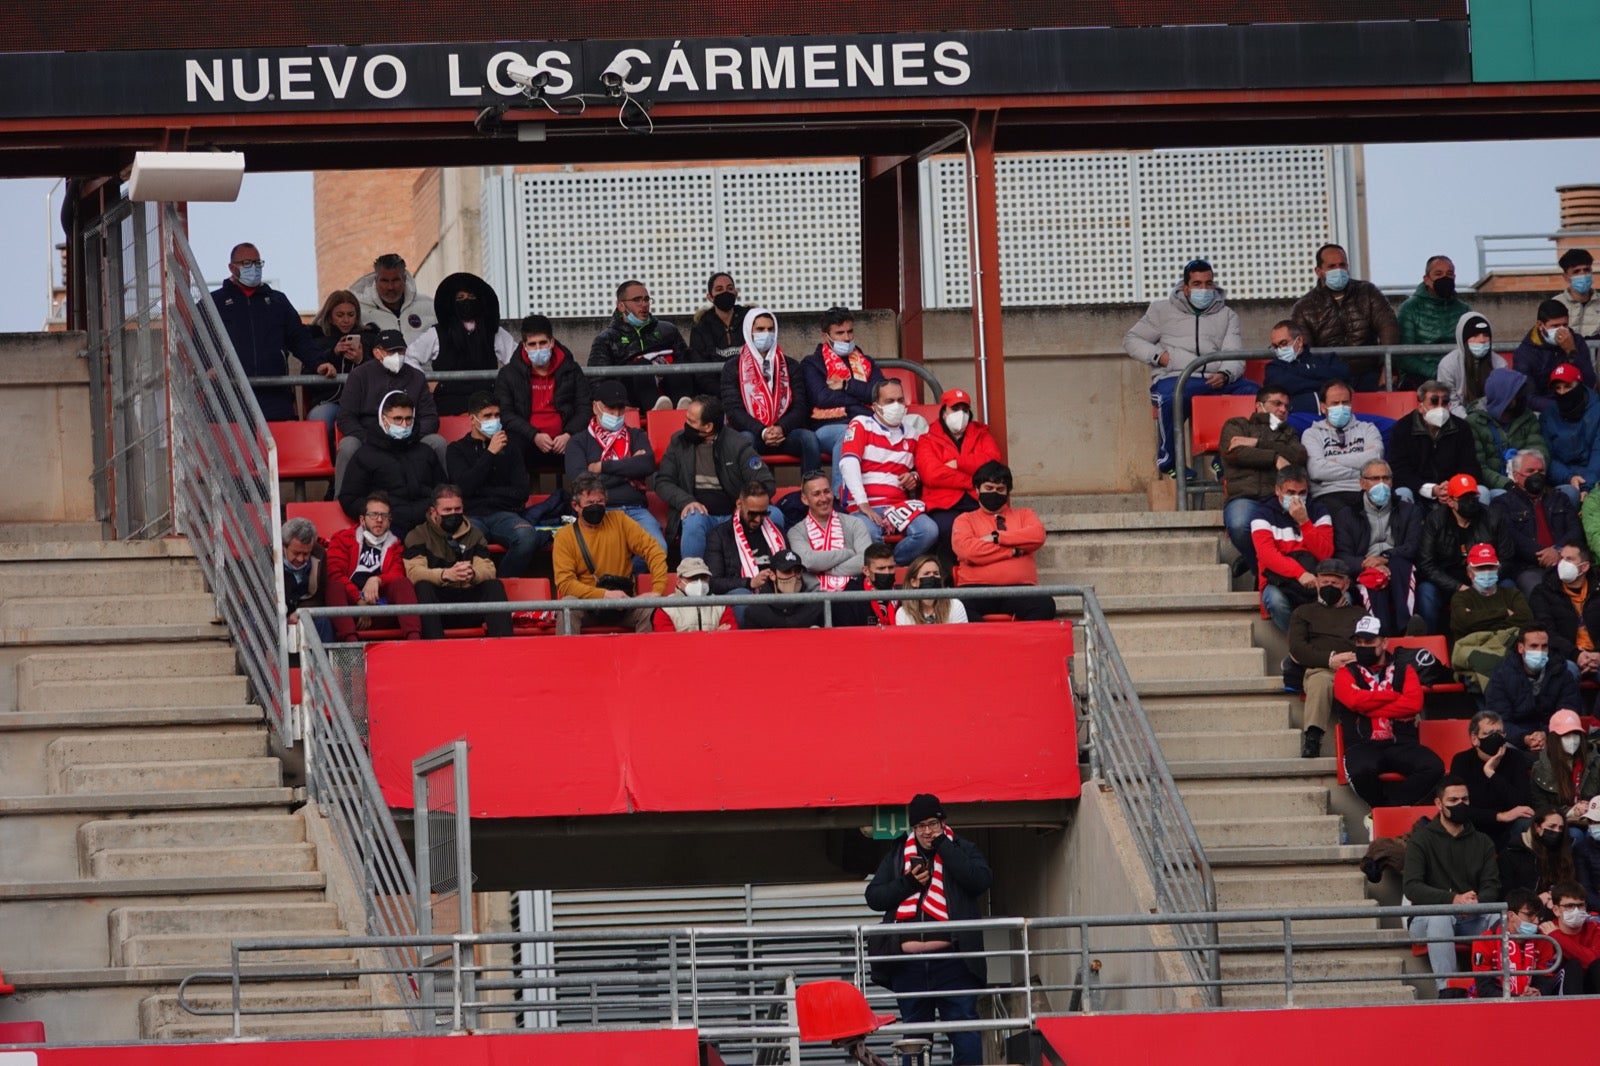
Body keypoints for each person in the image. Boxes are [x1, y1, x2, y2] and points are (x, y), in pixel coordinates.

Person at [865, 794, 992, 1066]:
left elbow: (980, 880)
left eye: (932, 824)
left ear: (943, 822)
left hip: (953, 963)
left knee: (965, 1030)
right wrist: (907, 884)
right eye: (920, 825)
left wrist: (945, 847)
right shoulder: (898, 854)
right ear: (913, 827)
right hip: (907, 967)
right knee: (914, 1039)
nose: (927, 831)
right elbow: (873, 897)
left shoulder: (962, 847)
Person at [1121, 257, 1253, 476]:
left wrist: (1225, 374)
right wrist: (1159, 356)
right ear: (1186, 287)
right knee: (1170, 397)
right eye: (1197, 284)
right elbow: (1132, 340)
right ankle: (1169, 462)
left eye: (1208, 284)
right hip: (1175, 377)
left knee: (1254, 395)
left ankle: (1226, 458)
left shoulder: (1227, 315)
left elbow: (1233, 353)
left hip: (1214, 380)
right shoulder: (1161, 310)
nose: (1204, 289)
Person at [1401, 775, 1501, 995]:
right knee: (1441, 916)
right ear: (1438, 804)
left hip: (1471, 916)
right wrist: (1454, 900)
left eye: (1464, 800)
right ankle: (1447, 989)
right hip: (1425, 919)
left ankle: (1499, 986)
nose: (1460, 805)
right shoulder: (1421, 840)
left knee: (1499, 918)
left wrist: (1476, 902)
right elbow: (1412, 887)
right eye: (1453, 800)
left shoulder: (1482, 841)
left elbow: (1491, 885)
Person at [209, 241, 326, 421]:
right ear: (232, 268)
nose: (253, 268)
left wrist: (319, 363)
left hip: (275, 398)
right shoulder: (214, 303)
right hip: (229, 398)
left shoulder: (278, 301)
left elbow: (299, 338)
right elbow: (197, 341)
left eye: (257, 263)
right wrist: (205, 367)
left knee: (278, 448)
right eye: (246, 263)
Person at [1335, 615, 1444, 807]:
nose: (1363, 646)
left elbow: (1413, 705)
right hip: (1362, 744)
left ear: (1384, 642)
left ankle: (1389, 809)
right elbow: (1353, 700)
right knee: (1361, 770)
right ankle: (1379, 809)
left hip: (1401, 743)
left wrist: (1367, 705)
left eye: (1369, 641)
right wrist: (1392, 696)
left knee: (1433, 767)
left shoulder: (1405, 669)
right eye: (1359, 642)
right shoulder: (1345, 672)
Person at [653, 394, 777, 560]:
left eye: (691, 421)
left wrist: (745, 504)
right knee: (693, 518)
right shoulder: (678, 442)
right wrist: (686, 501)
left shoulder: (737, 443)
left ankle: (773, 573)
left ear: (708, 427)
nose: (686, 425)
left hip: (735, 514)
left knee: (775, 515)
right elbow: (663, 481)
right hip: (702, 516)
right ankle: (691, 578)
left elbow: (766, 482)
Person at [333, 330, 446, 495]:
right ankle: (339, 500)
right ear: (376, 352)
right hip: (369, 437)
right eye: (392, 351)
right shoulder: (359, 375)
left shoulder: (416, 377)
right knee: (348, 445)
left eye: (401, 351)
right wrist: (368, 438)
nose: (398, 356)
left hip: (409, 436)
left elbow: (430, 417)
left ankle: (445, 499)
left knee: (438, 442)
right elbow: (345, 416)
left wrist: (411, 436)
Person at [552, 472, 669, 633]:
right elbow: (565, 584)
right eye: (590, 502)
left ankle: (645, 657)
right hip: (587, 607)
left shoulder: (620, 520)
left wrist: (656, 591)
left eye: (600, 501)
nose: (596, 506)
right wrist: (604, 595)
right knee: (567, 606)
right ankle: (568, 657)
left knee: (650, 610)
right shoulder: (564, 536)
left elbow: (654, 550)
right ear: (575, 506)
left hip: (624, 604)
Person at [839, 378, 937, 564]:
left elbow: (923, 468)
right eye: (890, 401)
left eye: (900, 400)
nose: (897, 406)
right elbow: (848, 464)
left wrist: (914, 476)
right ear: (876, 406)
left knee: (929, 531)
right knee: (868, 533)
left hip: (899, 506)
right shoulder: (861, 424)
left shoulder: (913, 433)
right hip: (862, 506)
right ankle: (881, 574)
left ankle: (891, 565)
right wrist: (863, 503)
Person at [564, 379, 666, 550]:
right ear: (596, 406)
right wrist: (628, 470)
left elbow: (647, 465)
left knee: (658, 548)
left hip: (636, 509)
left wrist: (603, 467)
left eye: (621, 408)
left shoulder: (636, 435)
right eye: (611, 408)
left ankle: (628, 577)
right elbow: (580, 483)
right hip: (600, 510)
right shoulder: (578, 441)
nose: (617, 414)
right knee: (609, 553)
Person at [401, 484, 513, 640]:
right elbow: (414, 573)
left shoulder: (475, 534)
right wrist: (446, 574)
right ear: (433, 511)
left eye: (457, 509)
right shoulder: (417, 535)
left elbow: (488, 569)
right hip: (438, 607)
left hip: (469, 601)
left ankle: (505, 649)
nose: (453, 514)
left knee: (493, 586)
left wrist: (473, 573)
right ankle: (433, 651)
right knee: (422, 587)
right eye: (447, 510)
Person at [444, 392, 537, 578]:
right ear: (472, 419)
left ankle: (500, 582)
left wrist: (484, 492)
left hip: (505, 515)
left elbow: (521, 492)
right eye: (487, 416)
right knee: (462, 544)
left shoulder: (512, 447)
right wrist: (490, 453)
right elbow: (464, 488)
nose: (493, 420)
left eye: (496, 415)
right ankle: (481, 588)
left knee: (527, 537)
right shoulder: (456, 449)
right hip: (472, 516)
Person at [1333, 459, 1430, 636]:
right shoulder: (1346, 515)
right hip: (1366, 568)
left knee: (1400, 563)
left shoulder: (1409, 510)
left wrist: (1385, 557)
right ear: (1362, 483)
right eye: (1375, 478)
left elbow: (1412, 547)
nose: (1382, 484)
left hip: (1399, 567)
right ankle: (1380, 634)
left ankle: (1407, 629)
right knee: (1373, 577)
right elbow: (1342, 555)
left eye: (1386, 478)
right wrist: (1366, 563)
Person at [950, 460, 1056, 622]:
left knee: (1044, 605)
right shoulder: (964, 520)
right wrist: (1013, 550)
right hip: (975, 590)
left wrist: (997, 537)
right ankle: (988, 643)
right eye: (989, 488)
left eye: (1000, 489)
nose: (994, 493)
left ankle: (1020, 645)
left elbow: (1037, 536)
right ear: (977, 490)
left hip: (1020, 590)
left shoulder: (1025, 514)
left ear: (1007, 493)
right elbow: (968, 551)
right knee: (957, 607)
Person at [718, 307, 820, 472]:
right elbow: (733, 411)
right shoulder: (732, 367)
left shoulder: (790, 365)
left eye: (770, 329)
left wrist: (781, 428)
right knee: (745, 441)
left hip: (785, 433)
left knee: (808, 439)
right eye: (760, 329)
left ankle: (813, 490)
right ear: (748, 331)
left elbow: (800, 406)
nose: (766, 333)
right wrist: (763, 431)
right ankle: (754, 493)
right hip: (752, 433)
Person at [1221, 384, 1309, 574]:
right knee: (1239, 524)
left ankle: (1261, 571)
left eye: (1286, 406)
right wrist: (1275, 458)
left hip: (1276, 497)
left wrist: (1257, 444)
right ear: (1259, 406)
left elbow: (1298, 457)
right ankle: (1261, 571)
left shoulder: (1289, 433)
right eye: (1277, 403)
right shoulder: (1237, 425)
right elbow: (1235, 452)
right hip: (1244, 496)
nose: (1283, 409)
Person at [405, 273, 518, 416]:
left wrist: (504, 385)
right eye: (460, 298)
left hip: (487, 406)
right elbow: (409, 357)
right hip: (448, 405)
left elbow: (517, 358)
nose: (467, 302)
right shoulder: (436, 334)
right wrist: (426, 384)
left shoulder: (493, 332)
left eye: (471, 297)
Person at [1289, 243, 1399, 390]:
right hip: (1328, 379)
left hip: (1369, 373)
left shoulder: (1367, 292)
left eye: (1342, 265)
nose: (1338, 270)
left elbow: (1388, 327)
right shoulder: (1304, 308)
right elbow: (1305, 352)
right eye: (1332, 266)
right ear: (1318, 271)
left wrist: (1387, 369)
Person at [1287, 558, 1367, 758]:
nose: (1329, 586)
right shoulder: (1303, 612)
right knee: (1320, 682)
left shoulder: (1359, 613)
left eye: (1335, 583)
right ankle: (1313, 737)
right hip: (1321, 668)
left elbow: (1372, 643)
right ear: (1317, 583)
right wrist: (1330, 659)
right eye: (1325, 582)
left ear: (1346, 584)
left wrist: (1355, 658)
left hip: (1354, 667)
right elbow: (1297, 648)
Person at [337, 391, 445, 536]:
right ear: (383, 419)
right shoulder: (365, 456)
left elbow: (443, 491)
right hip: (386, 529)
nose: (404, 425)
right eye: (397, 419)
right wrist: (379, 514)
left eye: (408, 419)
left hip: (428, 527)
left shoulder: (426, 452)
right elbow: (350, 499)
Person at [496, 313, 591, 476]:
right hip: (527, 440)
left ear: (552, 342)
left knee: (585, 446)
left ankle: (584, 499)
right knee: (509, 448)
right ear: (524, 345)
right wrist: (534, 435)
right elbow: (505, 413)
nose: (538, 349)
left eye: (543, 343)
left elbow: (585, 407)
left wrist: (569, 434)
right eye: (532, 344)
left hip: (566, 439)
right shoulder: (508, 374)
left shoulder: (571, 369)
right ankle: (519, 501)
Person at [801, 306, 886, 487]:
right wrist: (860, 401)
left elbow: (880, 393)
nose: (847, 338)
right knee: (849, 434)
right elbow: (822, 398)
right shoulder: (812, 364)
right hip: (829, 427)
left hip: (867, 422)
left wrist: (847, 385)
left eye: (850, 331)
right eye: (840, 333)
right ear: (826, 336)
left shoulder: (867, 361)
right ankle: (842, 498)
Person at [1418, 474, 1515, 632]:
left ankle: (1509, 639)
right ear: (1450, 501)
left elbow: (1507, 558)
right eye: (1464, 498)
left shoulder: (1494, 517)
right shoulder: (1435, 521)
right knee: (1426, 592)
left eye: (1473, 496)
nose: (1470, 502)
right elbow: (1426, 564)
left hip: (1487, 577)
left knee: (1509, 586)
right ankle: (1431, 643)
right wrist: (1458, 587)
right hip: (1448, 581)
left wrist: (1486, 580)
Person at [323, 490, 421, 641]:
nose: (379, 520)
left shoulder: (395, 545)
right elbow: (335, 573)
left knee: (402, 583)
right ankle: (351, 647)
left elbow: (397, 573)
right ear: (362, 520)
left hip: (380, 608)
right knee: (333, 586)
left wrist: (377, 579)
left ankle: (415, 643)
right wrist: (359, 600)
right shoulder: (343, 539)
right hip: (350, 609)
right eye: (373, 515)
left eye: (384, 516)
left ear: (390, 520)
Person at [916, 388, 1003, 553]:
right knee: (948, 530)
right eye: (955, 409)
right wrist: (973, 481)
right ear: (943, 412)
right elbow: (932, 475)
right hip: (943, 504)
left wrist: (958, 463)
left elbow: (992, 463)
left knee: (989, 529)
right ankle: (954, 574)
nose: (960, 414)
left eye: (964, 410)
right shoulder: (927, 438)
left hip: (978, 500)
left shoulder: (981, 434)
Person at [1249, 465, 1333, 632]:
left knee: (1345, 596)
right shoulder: (1262, 514)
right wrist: (1299, 573)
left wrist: (1304, 523)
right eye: (1291, 493)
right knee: (1275, 600)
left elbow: (1326, 553)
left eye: (1302, 493)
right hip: (1279, 582)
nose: (1297, 498)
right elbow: (1267, 555)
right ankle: (1299, 644)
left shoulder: (1319, 511)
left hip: (1315, 581)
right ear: (1277, 490)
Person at [589, 279, 692, 413]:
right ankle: (655, 409)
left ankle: (683, 407)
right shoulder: (606, 339)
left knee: (675, 369)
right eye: (637, 300)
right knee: (641, 365)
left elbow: (688, 363)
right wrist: (613, 405)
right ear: (620, 306)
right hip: (630, 399)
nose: (644, 304)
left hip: (671, 389)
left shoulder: (668, 330)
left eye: (646, 299)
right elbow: (597, 381)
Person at [1492, 450, 1580, 598]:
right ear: (1516, 475)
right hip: (1528, 567)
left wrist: (1558, 551)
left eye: (1541, 471)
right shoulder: (1502, 503)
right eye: (1530, 471)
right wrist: (1545, 555)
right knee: (1539, 593)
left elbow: (1575, 530)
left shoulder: (1560, 498)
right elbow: (1513, 538)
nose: (1536, 475)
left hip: (1564, 559)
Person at [1485, 625, 1582, 752]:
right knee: (1498, 750)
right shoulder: (1502, 675)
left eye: (1544, 646)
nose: (1540, 651)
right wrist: (1525, 738)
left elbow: (1569, 712)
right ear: (1521, 648)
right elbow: (1500, 720)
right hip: (1516, 740)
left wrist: (1546, 734)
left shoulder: (1562, 673)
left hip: (1554, 737)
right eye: (1534, 646)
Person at [1450, 543, 1534, 690]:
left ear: (1497, 569)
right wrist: (1503, 613)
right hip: (1476, 652)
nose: (1486, 571)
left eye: (1490, 567)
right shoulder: (1461, 598)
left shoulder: (1512, 594)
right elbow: (1464, 622)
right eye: (1480, 568)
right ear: (1470, 572)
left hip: (1508, 650)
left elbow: (1525, 619)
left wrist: (1478, 619)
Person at [1447, 711, 1535, 850]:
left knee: (1528, 821)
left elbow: (1524, 803)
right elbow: (1460, 808)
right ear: (1474, 739)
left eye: (1499, 733)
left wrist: (1491, 774)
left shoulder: (1515, 758)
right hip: (1475, 827)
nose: (1495, 737)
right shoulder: (1461, 761)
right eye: (1488, 733)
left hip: (1509, 828)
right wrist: (1499, 816)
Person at [1387, 380, 1482, 507]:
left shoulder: (1461, 427)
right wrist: (1430, 489)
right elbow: (1399, 470)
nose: (1440, 407)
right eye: (1434, 401)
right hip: (1417, 490)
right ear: (1420, 406)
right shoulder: (1402, 428)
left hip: (1455, 491)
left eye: (1445, 402)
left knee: (1483, 492)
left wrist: (1452, 487)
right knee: (1402, 492)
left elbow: (1470, 466)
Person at [704, 481, 787, 624]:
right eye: (753, 514)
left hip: (776, 591)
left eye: (764, 513)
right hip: (743, 593)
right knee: (742, 597)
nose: (758, 519)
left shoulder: (777, 531)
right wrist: (750, 582)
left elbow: (790, 562)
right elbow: (713, 583)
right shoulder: (720, 535)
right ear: (739, 505)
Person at [1303, 380, 1382, 516]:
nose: (1341, 407)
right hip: (1328, 494)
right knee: (1345, 516)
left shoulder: (1368, 428)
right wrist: (1361, 473)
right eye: (1335, 403)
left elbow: (1375, 459)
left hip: (1365, 492)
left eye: (1345, 402)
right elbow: (1316, 471)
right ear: (1323, 407)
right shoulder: (1312, 434)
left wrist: (1332, 460)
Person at [788, 469, 872, 593]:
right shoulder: (796, 532)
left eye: (827, 491)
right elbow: (809, 562)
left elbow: (866, 560)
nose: (824, 498)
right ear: (805, 499)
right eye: (816, 494)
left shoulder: (854, 523)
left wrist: (826, 569)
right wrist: (848, 553)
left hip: (853, 596)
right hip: (814, 599)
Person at [305, 288, 370, 445]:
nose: (346, 320)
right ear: (330, 317)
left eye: (351, 315)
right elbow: (306, 378)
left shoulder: (369, 339)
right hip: (329, 402)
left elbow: (381, 374)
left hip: (364, 403)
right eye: (340, 315)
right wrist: (332, 355)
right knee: (318, 420)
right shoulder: (317, 342)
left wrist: (361, 359)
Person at [1465, 369, 1545, 496]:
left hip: (1529, 480)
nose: (1522, 397)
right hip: (1495, 486)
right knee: (1499, 494)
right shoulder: (1474, 422)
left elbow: (1538, 449)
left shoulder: (1528, 417)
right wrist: (1507, 484)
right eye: (1517, 394)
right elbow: (1478, 466)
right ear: (1504, 397)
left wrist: (1530, 478)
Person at [1396, 256, 1473, 387]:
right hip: (1421, 378)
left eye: (1449, 274)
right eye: (1438, 274)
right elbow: (1404, 356)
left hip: (1457, 375)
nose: (1445, 278)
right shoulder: (1410, 308)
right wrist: (1436, 373)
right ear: (1426, 279)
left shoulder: (1464, 309)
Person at [1471, 888, 1562, 999]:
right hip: (1496, 1005)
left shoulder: (1543, 940)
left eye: (1538, 915)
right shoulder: (1484, 941)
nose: (1536, 921)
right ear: (1511, 916)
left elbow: (1546, 978)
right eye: (1530, 915)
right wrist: (1517, 997)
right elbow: (1484, 987)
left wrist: (1538, 992)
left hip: (1534, 1002)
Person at [1530, 539, 1600, 682]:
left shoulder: (1597, 591)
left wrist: (1598, 655)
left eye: (1569, 559)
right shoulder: (1543, 592)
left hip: (1597, 655)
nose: (1563, 563)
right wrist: (1576, 655)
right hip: (1564, 657)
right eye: (1561, 558)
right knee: (1568, 671)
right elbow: (1546, 632)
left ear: (1584, 567)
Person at [1515, 300, 1595, 414]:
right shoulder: (1526, 352)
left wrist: (1571, 351)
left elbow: (1590, 382)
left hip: (1578, 406)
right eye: (1555, 326)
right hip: (1544, 411)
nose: (1561, 330)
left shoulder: (1577, 342)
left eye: (1565, 325)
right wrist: (1561, 406)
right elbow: (1529, 397)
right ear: (1540, 325)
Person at [1261, 319, 1351, 415]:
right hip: (1295, 420)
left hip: (1332, 419)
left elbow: (1344, 374)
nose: (1280, 349)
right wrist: (1324, 384)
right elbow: (1284, 386)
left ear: (1299, 341)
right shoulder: (1274, 368)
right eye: (1275, 346)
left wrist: (1304, 371)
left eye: (1283, 343)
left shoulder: (1327, 359)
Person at [1540, 363, 1600, 501]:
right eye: (1557, 388)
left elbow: (1598, 452)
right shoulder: (1548, 416)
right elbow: (1547, 456)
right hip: (1564, 479)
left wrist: (1587, 485)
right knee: (1568, 495)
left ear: (1579, 385)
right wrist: (1569, 478)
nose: (1562, 392)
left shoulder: (1597, 410)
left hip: (1594, 477)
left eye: (1567, 386)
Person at [349, 252, 436, 344]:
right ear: (375, 280)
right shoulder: (360, 312)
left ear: (405, 279)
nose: (390, 287)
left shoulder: (430, 307)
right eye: (384, 281)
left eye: (395, 280)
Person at [1532, 710, 1600, 822]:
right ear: (1554, 738)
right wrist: (1571, 812)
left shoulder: (1596, 762)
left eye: (1576, 735)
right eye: (1566, 735)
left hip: (1595, 820)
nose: (1573, 740)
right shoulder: (1540, 768)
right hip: (1560, 824)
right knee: (1576, 834)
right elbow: (1541, 808)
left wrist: (1592, 809)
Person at [1437, 312, 1507, 420]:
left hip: (1492, 420)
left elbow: (1501, 399)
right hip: (1458, 421)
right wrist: (1469, 421)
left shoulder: (1500, 364)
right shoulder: (1447, 365)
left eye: (1486, 335)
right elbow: (1450, 403)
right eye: (1475, 336)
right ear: (1463, 339)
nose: (1482, 340)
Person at [1501, 807, 1579, 904]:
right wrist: (1535, 901)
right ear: (1537, 827)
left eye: (1560, 828)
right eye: (1552, 826)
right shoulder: (1513, 852)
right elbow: (1506, 894)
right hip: (1524, 911)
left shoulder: (1564, 852)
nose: (1557, 831)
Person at [688, 272, 748, 394]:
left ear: (736, 293)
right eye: (719, 289)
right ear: (710, 297)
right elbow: (702, 372)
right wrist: (725, 393)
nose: (725, 292)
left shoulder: (751, 320)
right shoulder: (700, 328)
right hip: (715, 394)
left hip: (750, 389)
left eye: (730, 288)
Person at [743, 549, 828, 630]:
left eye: (797, 571)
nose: (793, 577)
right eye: (786, 571)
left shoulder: (817, 605)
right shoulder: (756, 612)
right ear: (772, 575)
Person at [1544, 879, 1600, 994]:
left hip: (1590, 985)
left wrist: (1558, 937)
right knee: (1574, 966)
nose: (1576, 911)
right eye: (1569, 906)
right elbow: (1545, 974)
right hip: (1558, 991)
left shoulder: (1594, 928)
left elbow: (1593, 961)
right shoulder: (1545, 931)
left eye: (1580, 905)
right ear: (1556, 910)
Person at [280, 517, 331, 644]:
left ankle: (327, 663)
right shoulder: (268, 556)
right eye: (296, 553)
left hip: (305, 609)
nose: (301, 559)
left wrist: (300, 613)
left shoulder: (319, 554)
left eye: (306, 553)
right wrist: (284, 615)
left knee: (323, 621)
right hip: (276, 609)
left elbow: (319, 593)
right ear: (283, 546)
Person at [651, 556, 735, 632]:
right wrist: (714, 635)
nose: (699, 582)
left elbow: (730, 637)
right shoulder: (665, 609)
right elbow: (668, 643)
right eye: (693, 578)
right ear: (678, 582)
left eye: (703, 577)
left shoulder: (722, 606)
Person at [834, 543, 900, 628]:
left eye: (891, 568)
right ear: (866, 571)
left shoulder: (903, 594)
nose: (887, 573)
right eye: (881, 568)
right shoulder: (850, 598)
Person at [895, 555, 966, 625]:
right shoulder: (903, 613)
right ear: (914, 582)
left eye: (936, 573)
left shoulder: (955, 605)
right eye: (926, 574)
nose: (932, 577)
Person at [1553, 248, 1600, 340]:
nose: (1582, 274)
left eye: (1586, 270)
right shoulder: (1555, 304)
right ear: (1566, 277)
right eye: (1576, 271)